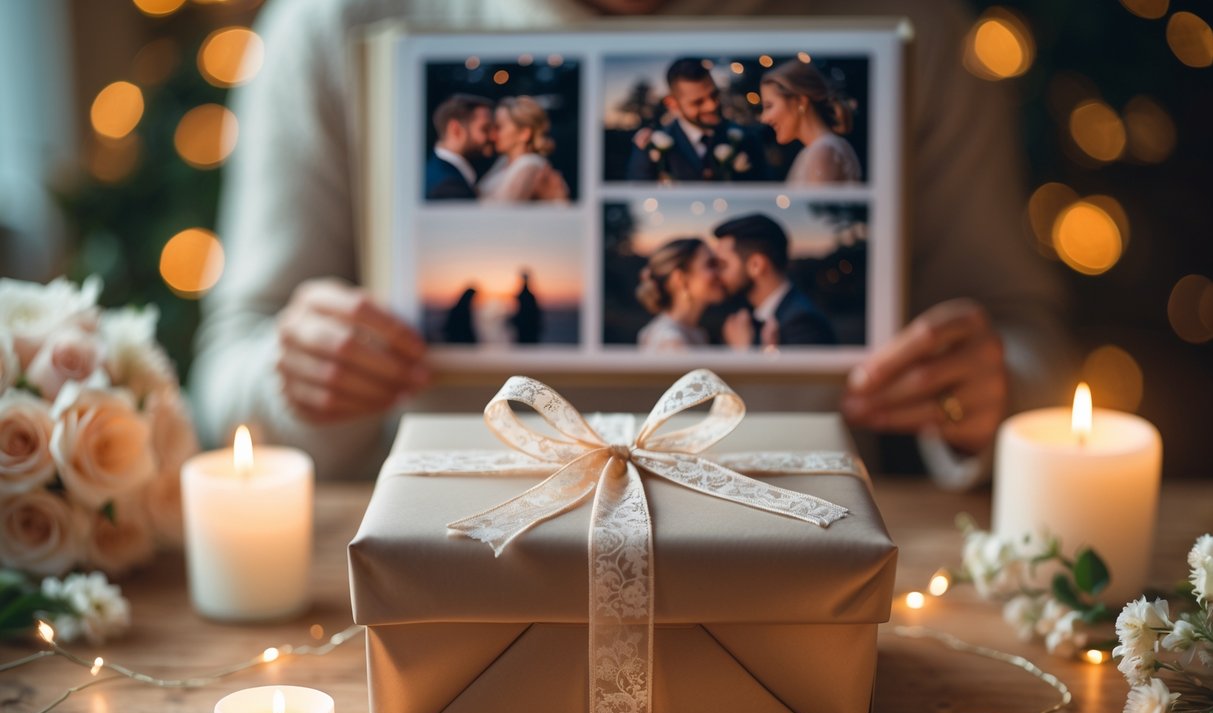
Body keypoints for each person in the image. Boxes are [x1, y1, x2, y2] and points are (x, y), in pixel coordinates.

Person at [191, 0, 1072, 485]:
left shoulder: (909, 27)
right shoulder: (334, 25)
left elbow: (1025, 346)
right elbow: (228, 375)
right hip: (454, 560)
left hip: (798, 555)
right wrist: (299, 373)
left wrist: (980, 391)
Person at [624, 57, 768, 183]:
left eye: (714, 95)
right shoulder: (650, 146)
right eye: (698, 102)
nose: (712, 106)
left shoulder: (747, 139)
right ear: (672, 104)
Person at [712, 213, 838, 348]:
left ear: (756, 265)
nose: (717, 275)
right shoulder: (751, 318)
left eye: (723, 265)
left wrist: (743, 353)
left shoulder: (804, 324)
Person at [760, 59, 862, 184]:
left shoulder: (823, 151)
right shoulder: (817, 150)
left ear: (800, 102)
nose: (764, 118)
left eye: (769, 106)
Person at [634, 238, 733, 351]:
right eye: (710, 264)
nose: (720, 272)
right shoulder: (670, 340)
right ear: (680, 279)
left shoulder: (697, 333)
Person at [478, 97, 569, 203]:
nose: (493, 135)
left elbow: (503, 211)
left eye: (499, 127)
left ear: (524, 133)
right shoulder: (503, 162)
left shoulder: (530, 165)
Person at [425, 94, 495, 200]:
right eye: (485, 129)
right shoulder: (449, 187)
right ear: (456, 129)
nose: (493, 136)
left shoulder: (435, 170)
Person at [509, 270, 543, 343]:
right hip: (527, 328)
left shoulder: (527, 296)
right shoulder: (528, 296)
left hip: (527, 329)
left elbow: (527, 313)